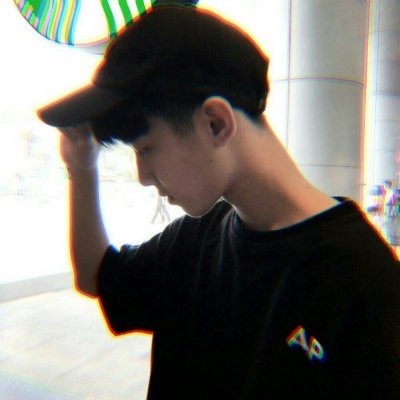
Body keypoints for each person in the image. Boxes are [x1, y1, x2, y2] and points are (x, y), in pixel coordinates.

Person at [37, 4, 400, 399]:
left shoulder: (366, 284)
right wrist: (82, 169)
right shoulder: (194, 241)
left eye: (146, 149)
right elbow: (98, 278)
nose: (143, 176)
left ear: (216, 123)